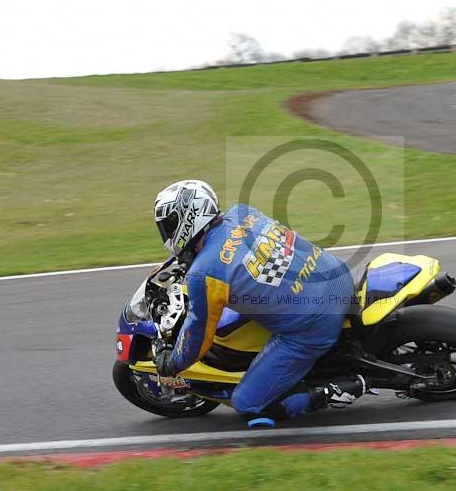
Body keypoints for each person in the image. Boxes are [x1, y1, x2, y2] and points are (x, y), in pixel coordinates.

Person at [152, 179, 365, 427]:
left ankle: (340, 388)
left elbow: (198, 334)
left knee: (248, 404)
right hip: (336, 274)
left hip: (313, 322)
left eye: (168, 225)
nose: (166, 232)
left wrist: (174, 362)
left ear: (186, 220)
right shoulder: (242, 212)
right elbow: (237, 252)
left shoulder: (204, 274)